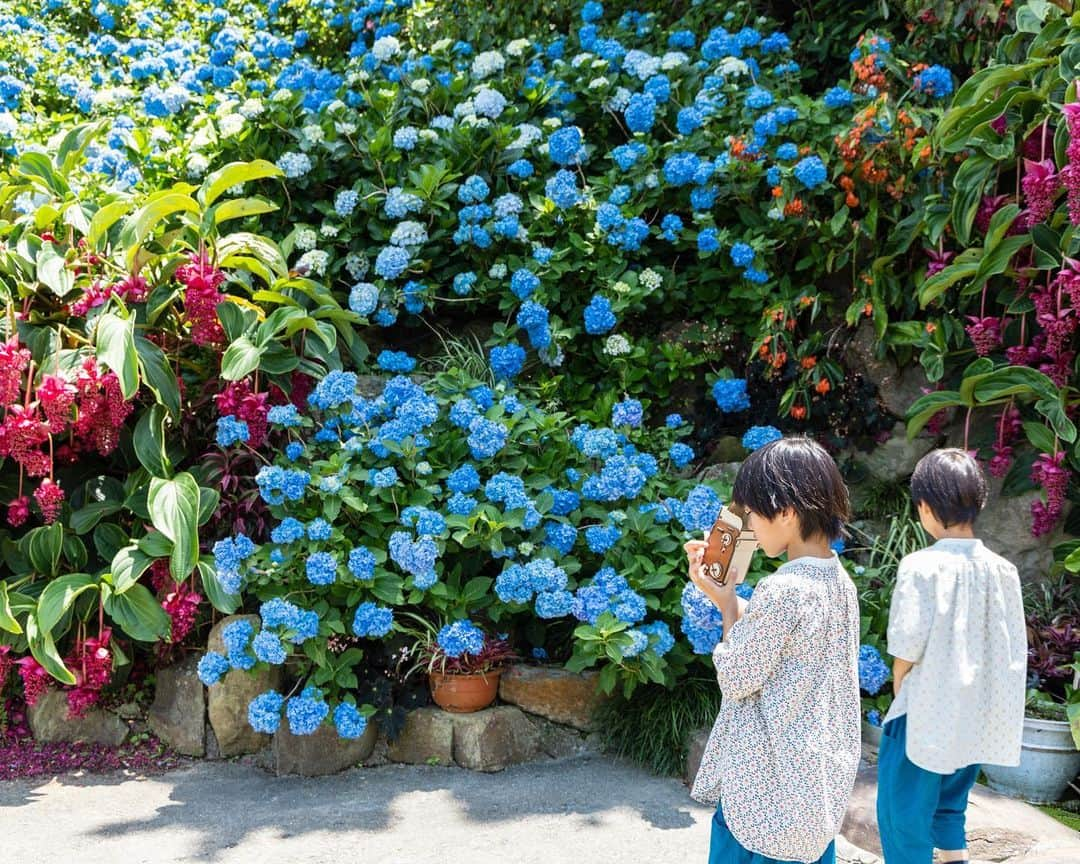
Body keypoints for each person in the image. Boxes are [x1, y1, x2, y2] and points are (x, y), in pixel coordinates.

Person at [686, 436, 861, 864]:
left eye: (752, 513)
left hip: (764, 793)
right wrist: (726, 598)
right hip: (812, 792)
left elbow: (737, 676)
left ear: (785, 511)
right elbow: (789, 641)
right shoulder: (838, 582)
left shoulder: (782, 588)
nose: (748, 524)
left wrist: (727, 609)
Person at [877, 449, 1026, 864]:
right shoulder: (1003, 571)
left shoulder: (920, 566)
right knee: (949, 807)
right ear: (978, 503)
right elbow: (1013, 646)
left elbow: (906, 649)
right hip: (975, 716)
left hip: (924, 713)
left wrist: (899, 688)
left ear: (924, 507)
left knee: (901, 814)